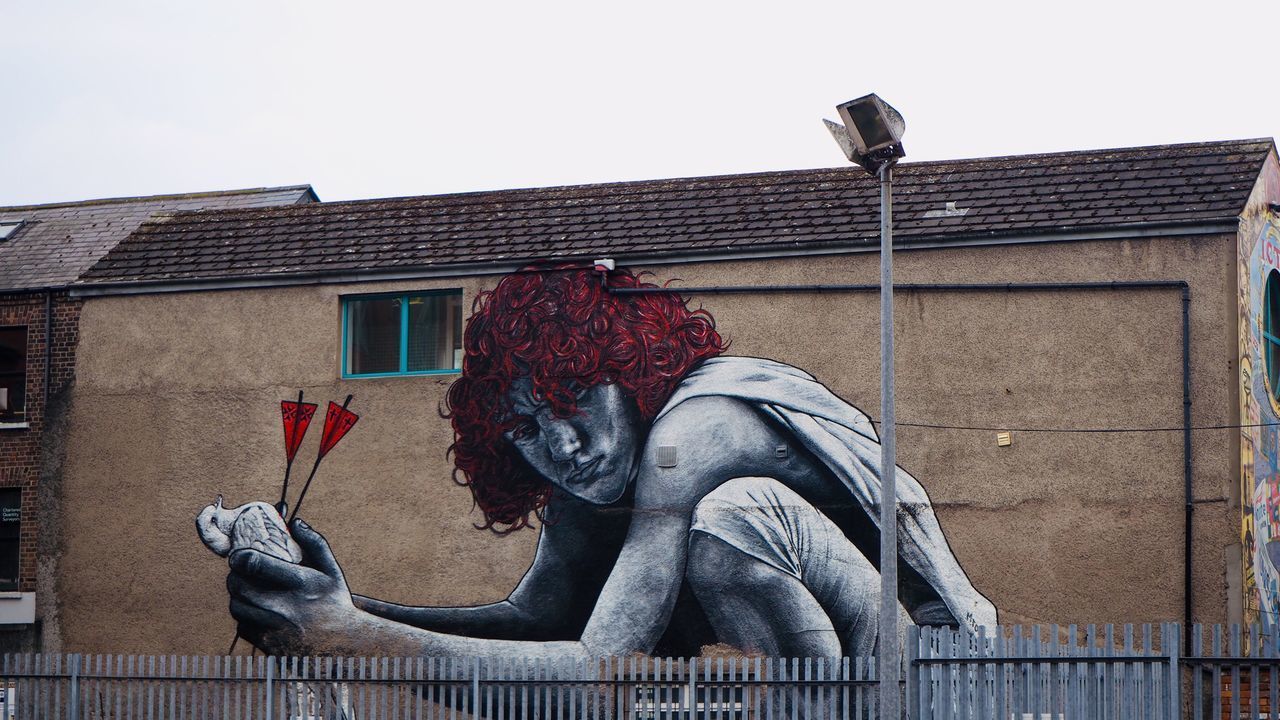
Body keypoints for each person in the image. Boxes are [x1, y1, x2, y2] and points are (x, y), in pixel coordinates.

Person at [226, 267, 995, 660]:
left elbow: (596, 669)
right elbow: (536, 623)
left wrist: (349, 638)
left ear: (631, 373)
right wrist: (348, 608)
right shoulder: (594, 480)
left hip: (921, 667)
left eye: (573, 397)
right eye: (527, 428)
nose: (561, 445)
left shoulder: (694, 433)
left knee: (734, 519)